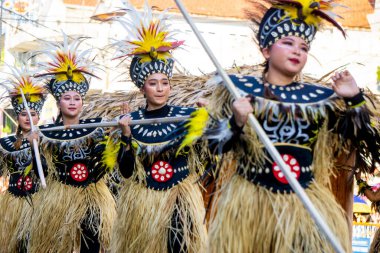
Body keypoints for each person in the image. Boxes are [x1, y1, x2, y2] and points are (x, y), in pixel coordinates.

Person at [206, 0, 380, 252]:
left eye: (304, 47)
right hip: (252, 203)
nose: (297, 51)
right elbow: (213, 146)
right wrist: (236, 121)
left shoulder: (319, 100)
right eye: (287, 43)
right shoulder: (238, 91)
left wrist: (353, 98)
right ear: (266, 50)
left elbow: (357, 138)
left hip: (305, 202)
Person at [108, 3, 207, 252]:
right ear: (143, 88)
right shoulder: (131, 121)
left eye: (165, 82)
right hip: (144, 203)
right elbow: (127, 172)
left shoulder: (186, 116)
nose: (161, 88)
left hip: (179, 199)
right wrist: (126, 136)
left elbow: (211, 151)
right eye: (153, 83)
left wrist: (207, 118)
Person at [26, 35, 116, 253]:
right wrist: (34, 146)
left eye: (77, 98)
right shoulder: (47, 134)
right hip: (60, 196)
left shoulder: (96, 129)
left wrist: (118, 139)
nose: (73, 102)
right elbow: (42, 174)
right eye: (67, 98)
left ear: (82, 102)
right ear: (58, 102)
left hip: (92, 196)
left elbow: (107, 166)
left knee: (91, 245)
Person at [0, 64, 46, 253]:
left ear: (38, 116)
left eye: (32, 114)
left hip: (38, 203)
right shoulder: (6, 143)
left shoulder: (47, 140)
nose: (28, 118)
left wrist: (37, 146)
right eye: (23, 114)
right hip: (13, 203)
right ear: (17, 117)